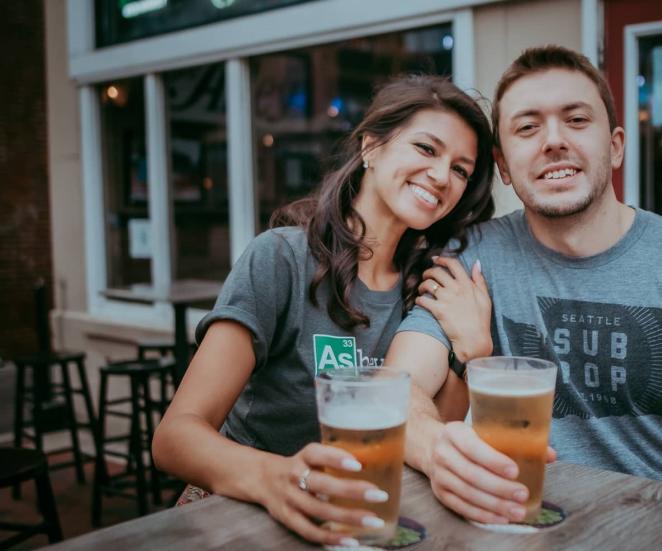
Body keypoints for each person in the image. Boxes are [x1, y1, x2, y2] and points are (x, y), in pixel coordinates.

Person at [386, 45, 662, 525]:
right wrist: (437, 452)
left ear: (616, 145)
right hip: (519, 531)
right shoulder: (473, 256)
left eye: (576, 120)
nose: (553, 141)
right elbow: (396, 390)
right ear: (501, 164)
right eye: (527, 127)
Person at [152, 74, 496, 547]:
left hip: (353, 523)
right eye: (426, 148)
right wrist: (278, 478)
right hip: (240, 513)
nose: (441, 176)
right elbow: (174, 438)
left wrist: (473, 352)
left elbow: (424, 441)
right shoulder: (281, 258)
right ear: (371, 148)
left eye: (461, 169)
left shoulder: (429, 287)